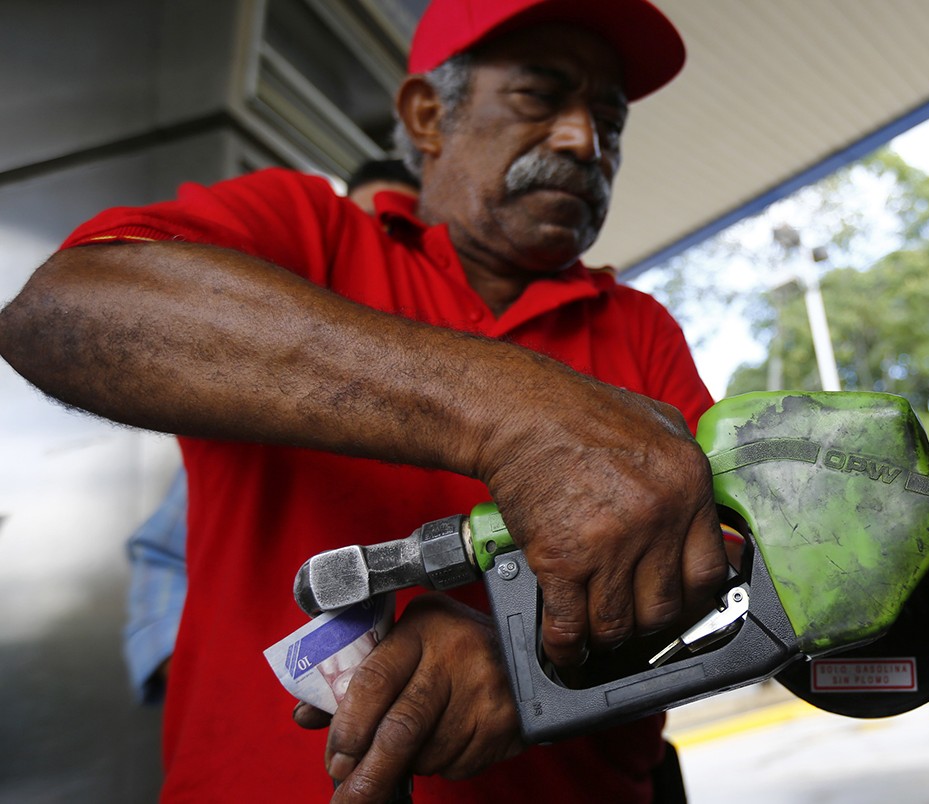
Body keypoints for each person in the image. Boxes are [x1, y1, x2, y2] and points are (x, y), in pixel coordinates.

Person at [0, 1, 726, 802]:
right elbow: (66, 308)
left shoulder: (640, 329)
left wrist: (537, 673)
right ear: (427, 116)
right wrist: (511, 413)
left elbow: (728, 582)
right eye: (538, 96)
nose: (582, 141)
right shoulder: (310, 231)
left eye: (609, 121)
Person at [121, 161, 424, 707]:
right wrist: (203, 671)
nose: (372, 247)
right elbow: (164, 552)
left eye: (395, 227)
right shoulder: (247, 412)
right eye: (357, 224)